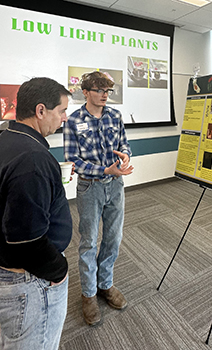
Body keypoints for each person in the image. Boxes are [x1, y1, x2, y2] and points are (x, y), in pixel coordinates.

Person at [0, 77, 73, 350]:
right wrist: (59, 271)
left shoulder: (7, 139)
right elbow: (27, 240)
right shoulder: (33, 159)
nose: (64, 119)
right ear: (41, 111)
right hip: (29, 282)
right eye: (61, 111)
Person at [63, 71, 133, 326]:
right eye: (100, 90)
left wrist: (125, 157)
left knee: (114, 238)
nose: (105, 95)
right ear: (86, 92)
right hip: (90, 188)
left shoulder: (115, 116)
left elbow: (124, 144)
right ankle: (89, 294)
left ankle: (105, 285)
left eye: (108, 91)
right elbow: (74, 159)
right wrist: (104, 170)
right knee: (89, 242)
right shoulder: (73, 120)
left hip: (115, 185)